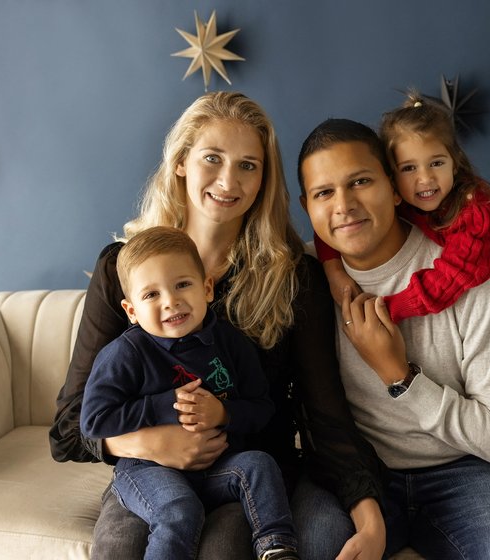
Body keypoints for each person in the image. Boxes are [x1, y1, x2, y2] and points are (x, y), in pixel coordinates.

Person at [50, 92, 387, 560]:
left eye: (249, 165)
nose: (229, 180)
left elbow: (323, 413)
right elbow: (70, 425)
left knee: (222, 548)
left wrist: (371, 518)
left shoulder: (293, 278)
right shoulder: (122, 270)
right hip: (149, 470)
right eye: (213, 158)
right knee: (123, 546)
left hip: (249, 474)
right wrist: (154, 442)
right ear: (182, 162)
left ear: (264, 179)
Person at [313, 95, 490, 527]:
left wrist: (386, 309)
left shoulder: (476, 213)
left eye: (436, 163)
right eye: (409, 168)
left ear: (455, 162)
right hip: (369, 475)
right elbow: (334, 218)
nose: (424, 178)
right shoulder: (400, 204)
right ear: (395, 181)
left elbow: (449, 280)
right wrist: (333, 269)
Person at [80, 226, 299, 560]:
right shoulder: (125, 354)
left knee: (258, 464)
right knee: (181, 509)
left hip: (216, 470)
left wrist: (224, 414)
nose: (171, 302)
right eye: (151, 295)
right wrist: (163, 406)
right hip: (147, 470)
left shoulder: (232, 344)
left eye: (182, 284)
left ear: (207, 288)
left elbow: (262, 407)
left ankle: (276, 547)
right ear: (131, 311)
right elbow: (94, 421)